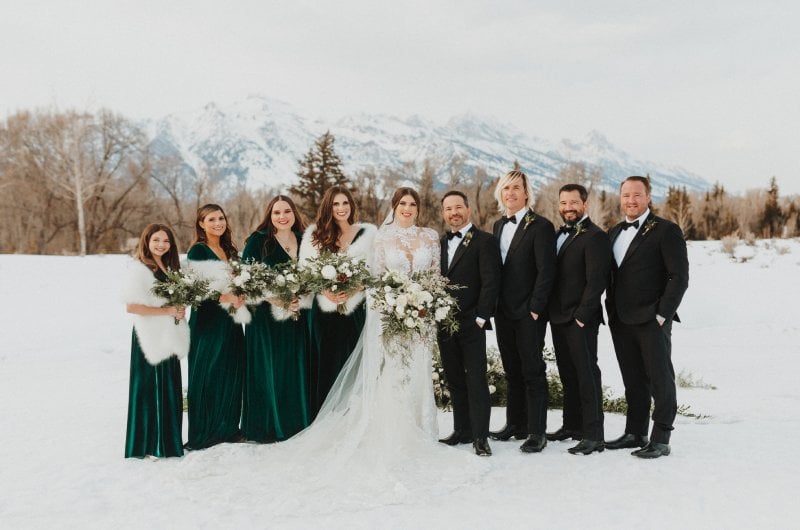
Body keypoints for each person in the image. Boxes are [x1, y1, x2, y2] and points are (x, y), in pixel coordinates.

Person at [257, 187, 486, 510]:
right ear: (394, 207)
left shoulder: (430, 236)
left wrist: (424, 305)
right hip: (389, 313)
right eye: (402, 203)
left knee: (417, 370)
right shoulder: (382, 237)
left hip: (420, 316)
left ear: (418, 209)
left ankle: (421, 428)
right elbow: (376, 278)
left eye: (412, 204)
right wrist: (391, 304)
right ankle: (390, 429)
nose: (407, 208)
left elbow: (435, 276)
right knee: (391, 371)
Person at [605, 176, 689, 459]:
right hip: (621, 319)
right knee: (633, 379)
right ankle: (635, 432)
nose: (631, 200)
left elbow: (679, 277)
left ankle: (661, 438)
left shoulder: (666, 230)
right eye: (626, 195)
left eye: (637, 195)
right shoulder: (614, 232)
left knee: (660, 379)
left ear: (648, 197)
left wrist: (663, 314)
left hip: (652, 319)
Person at [489, 169, 556, 453]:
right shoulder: (497, 226)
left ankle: (537, 431)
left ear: (526, 192)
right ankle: (515, 423)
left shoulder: (540, 226)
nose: (511, 193)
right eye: (506, 188)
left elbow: (547, 271)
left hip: (529, 313)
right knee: (511, 370)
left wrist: (535, 309)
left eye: (516, 188)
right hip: (502, 312)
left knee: (532, 371)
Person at [299, 185, 377, 418]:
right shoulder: (315, 236)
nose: (341, 208)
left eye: (345, 203)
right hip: (324, 312)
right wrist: (326, 291)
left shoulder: (367, 234)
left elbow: (374, 270)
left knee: (353, 360)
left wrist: (355, 288)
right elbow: (306, 272)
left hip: (354, 310)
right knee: (326, 362)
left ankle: (352, 417)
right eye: (336, 204)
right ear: (328, 207)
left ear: (352, 206)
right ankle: (324, 416)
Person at [546, 184, 611, 455]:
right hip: (558, 317)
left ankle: (594, 434)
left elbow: (597, 281)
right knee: (568, 374)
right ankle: (572, 425)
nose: (568, 207)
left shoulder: (595, 236)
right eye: (563, 203)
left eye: (573, 202)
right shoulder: (559, 234)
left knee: (586, 374)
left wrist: (582, 317)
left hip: (580, 319)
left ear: (584, 204)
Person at [241, 195, 311, 442]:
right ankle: (271, 425)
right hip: (266, 317)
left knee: (296, 367)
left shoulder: (305, 240)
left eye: (287, 211)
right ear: (269, 216)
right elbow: (245, 281)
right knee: (273, 368)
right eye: (277, 213)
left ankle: (298, 421)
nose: (282, 217)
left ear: (294, 214)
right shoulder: (259, 241)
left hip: (299, 314)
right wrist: (276, 299)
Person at [436, 190, 501, 456]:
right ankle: (461, 429)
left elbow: (491, 281)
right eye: (448, 209)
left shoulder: (484, 241)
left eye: (458, 207)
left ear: (468, 210)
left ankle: (480, 436)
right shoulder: (439, 243)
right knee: (454, 379)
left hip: (472, 322)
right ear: (444, 213)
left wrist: (481, 317)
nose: (454, 213)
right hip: (444, 322)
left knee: (476, 380)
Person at [122, 223, 187, 459]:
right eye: (156, 240)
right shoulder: (139, 269)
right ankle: (146, 445)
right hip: (149, 336)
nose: (161, 245)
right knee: (149, 388)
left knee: (169, 386)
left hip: (168, 333)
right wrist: (168, 311)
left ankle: (168, 443)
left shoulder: (170, 267)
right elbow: (132, 306)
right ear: (146, 242)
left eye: (166, 241)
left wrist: (179, 310)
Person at [185, 204, 246, 450]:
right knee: (207, 373)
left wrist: (241, 293)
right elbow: (197, 289)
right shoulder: (198, 251)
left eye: (221, 218)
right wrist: (225, 298)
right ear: (201, 224)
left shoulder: (230, 250)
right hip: (207, 321)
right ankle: (204, 432)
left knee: (231, 370)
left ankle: (228, 428)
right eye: (211, 219)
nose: (218, 223)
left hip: (230, 320)